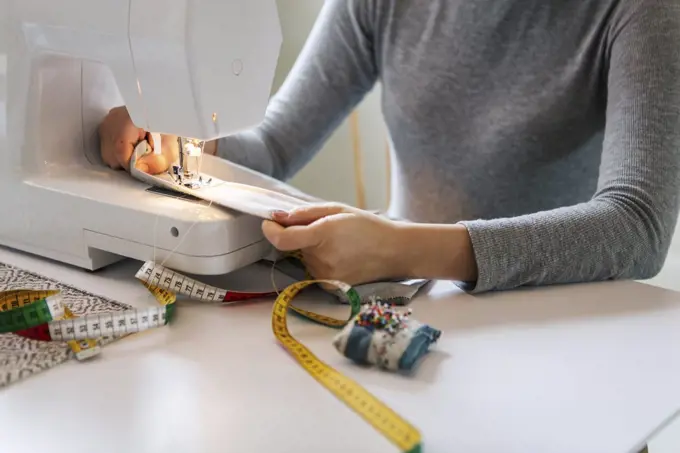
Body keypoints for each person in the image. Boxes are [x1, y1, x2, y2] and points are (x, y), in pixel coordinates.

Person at [99, 0, 680, 293]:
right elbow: (276, 142)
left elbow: (637, 226)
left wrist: (405, 250)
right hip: (424, 324)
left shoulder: (642, 11)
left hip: (566, 332)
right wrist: (185, 134)